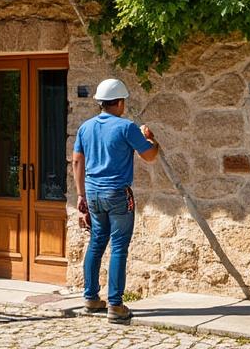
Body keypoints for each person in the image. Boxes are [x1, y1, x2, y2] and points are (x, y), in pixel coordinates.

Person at [72, 77, 160, 324]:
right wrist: (151, 139)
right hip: (118, 194)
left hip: (92, 192)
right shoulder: (127, 127)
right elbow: (150, 155)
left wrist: (81, 195)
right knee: (119, 246)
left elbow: (77, 161)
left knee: (97, 242)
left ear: (101, 102)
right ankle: (115, 304)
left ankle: (90, 298)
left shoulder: (85, 127)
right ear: (119, 102)